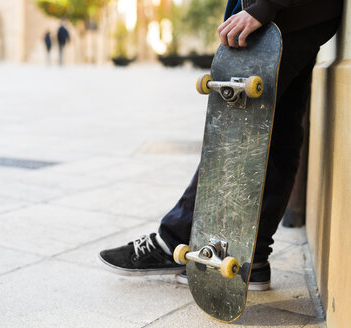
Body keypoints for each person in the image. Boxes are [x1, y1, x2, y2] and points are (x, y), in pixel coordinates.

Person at [98, 0, 343, 291]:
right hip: (297, 16)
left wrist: (266, 6)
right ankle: (251, 258)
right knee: (276, 133)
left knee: (233, 134)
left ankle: (174, 240)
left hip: (278, 18)